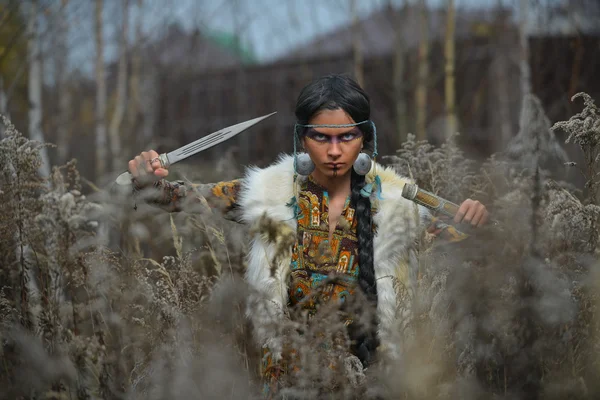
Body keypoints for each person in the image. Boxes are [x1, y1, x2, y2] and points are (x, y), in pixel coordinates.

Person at [127, 74, 489, 395]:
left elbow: (451, 238)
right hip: (290, 381)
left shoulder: (396, 203)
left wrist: (471, 223)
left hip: (374, 380)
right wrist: (148, 182)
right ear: (302, 139)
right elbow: (189, 198)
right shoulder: (271, 195)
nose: (334, 151)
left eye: (347, 136)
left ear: (364, 139)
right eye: (321, 137)